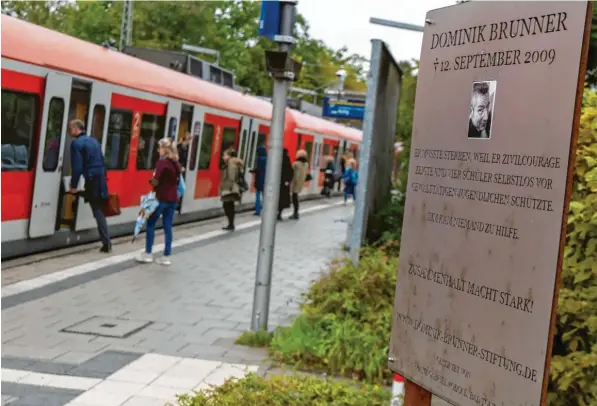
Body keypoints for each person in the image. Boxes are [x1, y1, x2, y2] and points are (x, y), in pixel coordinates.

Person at [136, 137, 183, 265]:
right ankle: (166, 256)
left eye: (159, 148)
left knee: (151, 223)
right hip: (173, 199)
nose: (158, 150)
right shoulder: (176, 163)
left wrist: (151, 181)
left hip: (161, 198)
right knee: (168, 226)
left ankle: (148, 254)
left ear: (164, 149)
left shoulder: (162, 163)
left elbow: (156, 180)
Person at [68, 119, 111, 253]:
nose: (70, 131)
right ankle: (106, 242)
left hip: (90, 180)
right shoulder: (94, 141)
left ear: (76, 129)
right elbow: (103, 161)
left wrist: (73, 185)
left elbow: (77, 167)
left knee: (97, 211)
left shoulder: (76, 144)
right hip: (99, 179)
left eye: (71, 128)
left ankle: (106, 242)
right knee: (98, 209)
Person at [220, 148, 244, 230]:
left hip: (229, 188)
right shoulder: (234, 162)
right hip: (231, 188)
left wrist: (227, 189)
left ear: (229, 156)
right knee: (230, 205)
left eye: (225, 155)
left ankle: (231, 224)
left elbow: (231, 176)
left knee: (227, 206)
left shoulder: (231, 163)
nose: (223, 157)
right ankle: (231, 224)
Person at [290, 149, 309, 220]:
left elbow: (295, 175)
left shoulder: (296, 164)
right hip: (301, 183)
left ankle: (295, 213)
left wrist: (292, 183)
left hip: (295, 182)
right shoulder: (306, 164)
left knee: (294, 198)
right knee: (295, 198)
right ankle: (296, 212)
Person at [277, 148, 294, 221]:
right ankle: (279, 214)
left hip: (277, 183)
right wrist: (288, 181)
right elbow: (290, 172)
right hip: (284, 184)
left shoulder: (277, 159)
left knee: (276, 199)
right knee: (282, 200)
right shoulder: (287, 160)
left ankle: (275, 212)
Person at [252, 145, 267, 216]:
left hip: (259, 179)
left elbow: (258, 169)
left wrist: (253, 171)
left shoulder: (259, 159)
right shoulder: (267, 159)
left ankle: (258, 211)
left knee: (258, 195)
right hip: (266, 180)